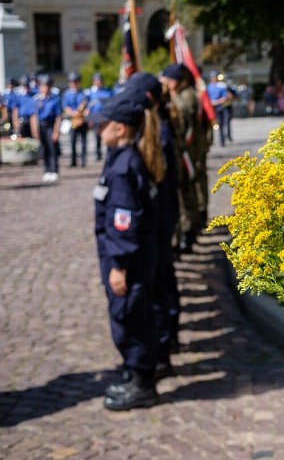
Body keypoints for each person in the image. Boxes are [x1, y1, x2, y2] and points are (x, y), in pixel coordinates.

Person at [87, 87, 164, 410]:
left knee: (129, 319)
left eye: (101, 124)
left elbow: (123, 222)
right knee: (130, 317)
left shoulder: (123, 166)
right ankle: (135, 373)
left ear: (120, 128)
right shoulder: (121, 158)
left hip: (127, 259)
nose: (96, 128)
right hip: (130, 256)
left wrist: (118, 266)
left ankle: (143, 382)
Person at [127, 72, 182, 371]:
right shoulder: (151, 126)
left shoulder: (157, 131)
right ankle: (164, 340)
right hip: (159, 218)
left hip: (160, 218)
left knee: (159, 285)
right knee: (160, 281)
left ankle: (163, 345)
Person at [161, 63, 205, 254]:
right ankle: (189, 229)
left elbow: (180, 119)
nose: (167, 85)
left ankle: (187, 233)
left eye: (169, 81)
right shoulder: (184, 94)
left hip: (185, 151)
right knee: (187, 190)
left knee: (185, 192)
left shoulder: (185, 97)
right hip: (186, 150)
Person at [34, 74, 62, 182]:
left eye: (46, 86)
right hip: (41, 125)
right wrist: (35, 130)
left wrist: (56, 131)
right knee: (44, 149)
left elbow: (58, 117)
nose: (44, 88)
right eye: (42, 86)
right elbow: (34, 116)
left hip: (51, 125)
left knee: (52, 149)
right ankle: (46, 170)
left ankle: (54, 170)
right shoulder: (37, 99)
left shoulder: (55, 99)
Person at [62, 72, 90, 167]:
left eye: (76, 82)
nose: (74, 84)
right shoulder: (67, 94)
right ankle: (73, 161)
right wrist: (74, 113)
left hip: (82, 120)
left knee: (83, 141)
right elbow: (66, 107)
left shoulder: (84, 93)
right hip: (73, 120)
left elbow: (87, 107)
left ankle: (83, 160)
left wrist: (84, 112)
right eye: (72, 82)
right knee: (72, 141)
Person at [86, 73, 113, 161]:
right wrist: (89, 119)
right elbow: (87, 107)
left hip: (106, 117)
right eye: (97, 81)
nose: (99, 82)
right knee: (97, 136)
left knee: (108, 134)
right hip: (96, 117)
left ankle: (109, 153)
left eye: (100, 81)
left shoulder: (108, 91)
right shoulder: (90, 93)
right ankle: (98, 154)